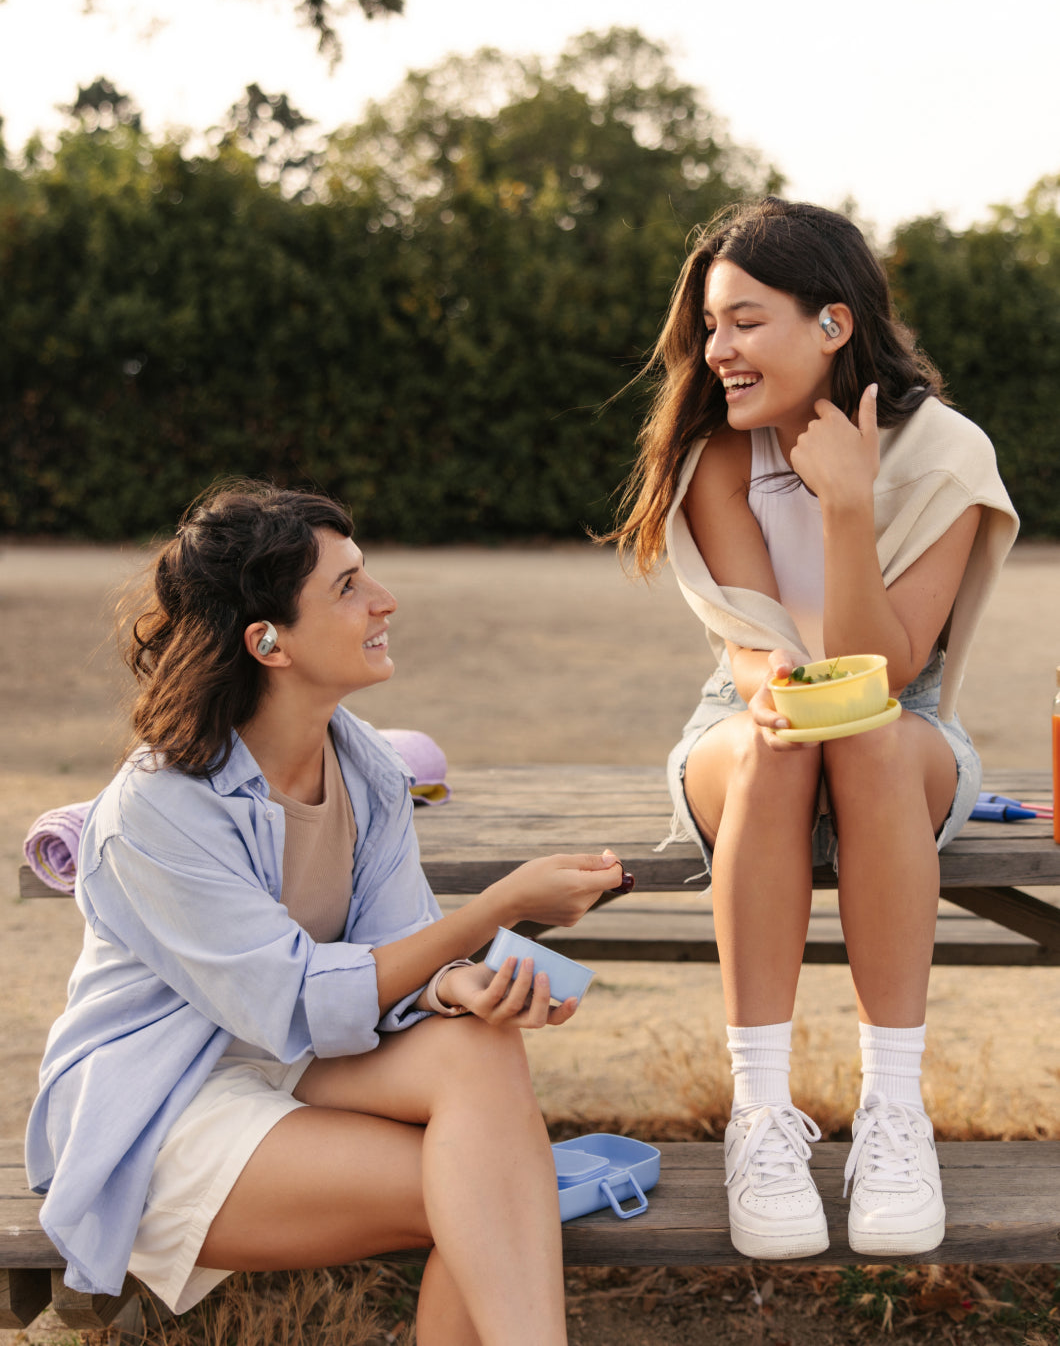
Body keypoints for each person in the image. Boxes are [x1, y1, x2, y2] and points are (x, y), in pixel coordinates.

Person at [27, 481, 628, 1346]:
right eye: (346, 587)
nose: (385, 600)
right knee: (486, 1187)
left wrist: (465, 985)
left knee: (480, 1061)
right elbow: (297, 1001)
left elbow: (394, 946)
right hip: (168, 1102)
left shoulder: (366, 763)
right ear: (268, 641)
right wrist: (498, 909)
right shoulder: (156, 811)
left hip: (294, 1060)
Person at [609, 197, 1018, 1259]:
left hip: (903, 728)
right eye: (709, 325)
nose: (717, 350)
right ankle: (761, 1117)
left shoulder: (942, 455)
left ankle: (892, 1115)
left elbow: (887, 673)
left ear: (831, 325)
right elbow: (749, 647)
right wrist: (771, 685)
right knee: (774, 747)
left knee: (867, 731)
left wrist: (847, 504)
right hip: (748, 719)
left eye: (745, 321)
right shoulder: (712, 454)